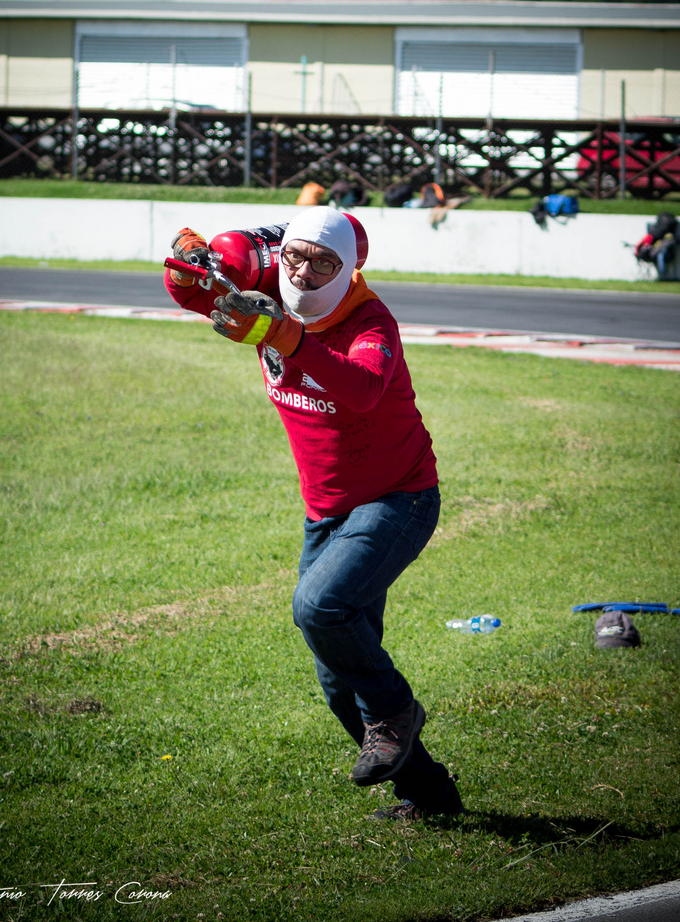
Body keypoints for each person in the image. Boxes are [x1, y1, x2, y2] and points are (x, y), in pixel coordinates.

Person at [164, 208, 464, 820]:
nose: (305, 271)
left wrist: (282, 337)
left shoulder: (369, 318)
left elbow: (360, 390)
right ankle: (428, 794)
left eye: (324, 262)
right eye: (297, 256)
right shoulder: (270, 287)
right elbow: (188, 288)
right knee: (336, 685)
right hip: (327, 512)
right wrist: (196, 257)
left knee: (318, 607)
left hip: (398, 499)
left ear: (351, 269)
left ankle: (396, 708)